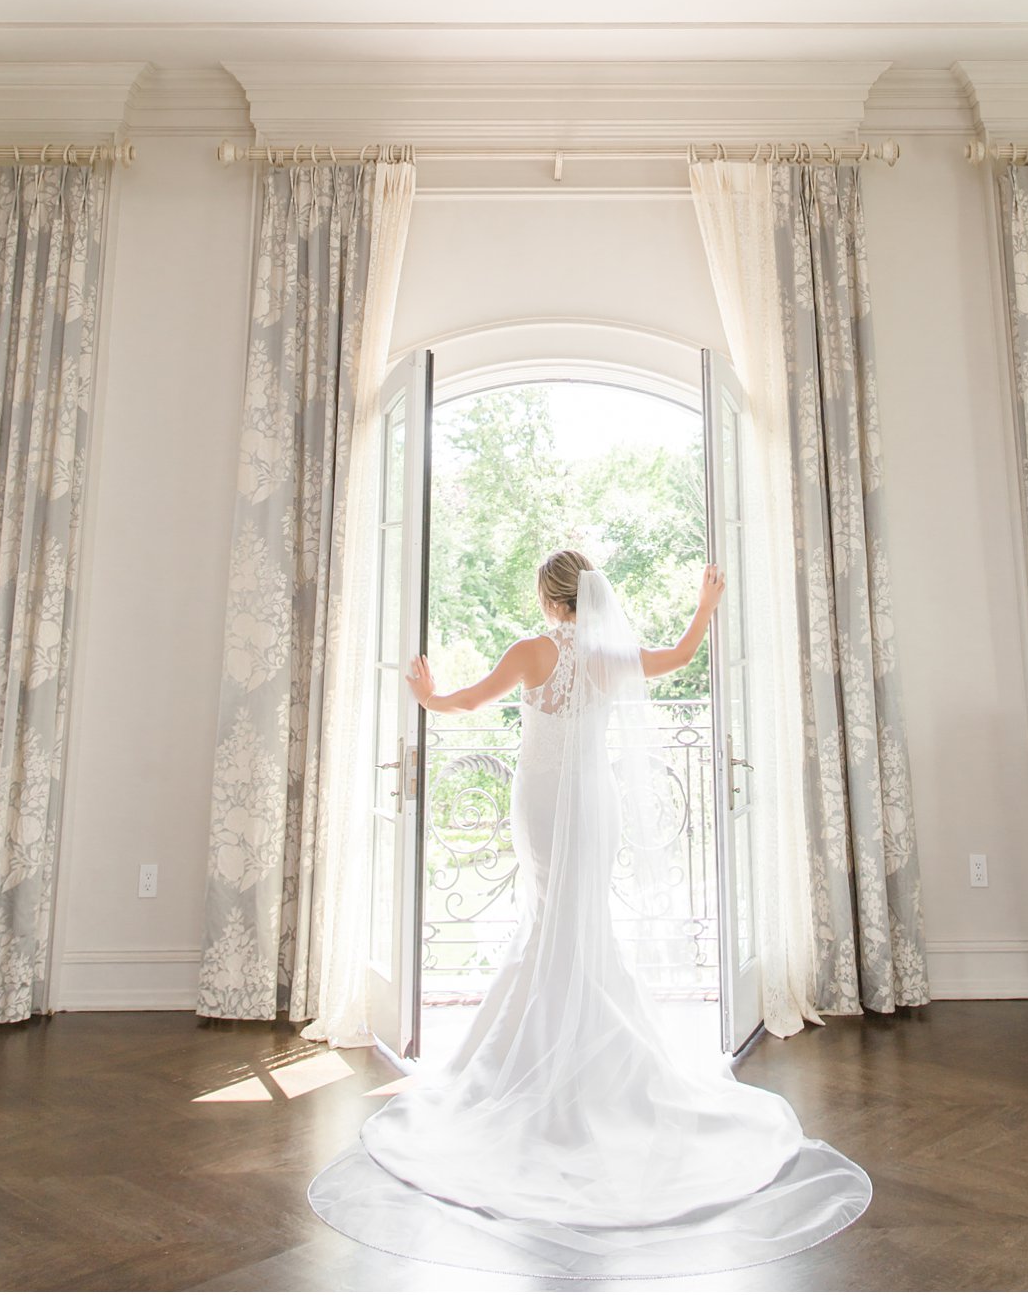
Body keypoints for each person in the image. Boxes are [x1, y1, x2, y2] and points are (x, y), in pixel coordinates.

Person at [309, 548, 870, 1279]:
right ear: (591, 596)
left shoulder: (530, 650)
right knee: (581, 925)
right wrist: (705, 605)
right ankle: (596, 1064)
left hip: (542, 805)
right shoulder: (610, 655)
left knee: (547, 923)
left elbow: (468, 703)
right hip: (594, 806)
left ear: (550, 598)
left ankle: (540, 1059)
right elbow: (677, 654)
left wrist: (426, 693)